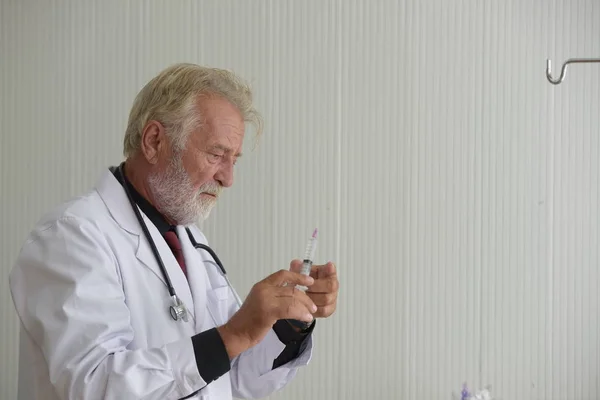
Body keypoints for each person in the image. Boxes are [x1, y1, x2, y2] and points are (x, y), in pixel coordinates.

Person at [9, 63, 339, 400]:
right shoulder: (70, 237)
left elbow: (233, 381)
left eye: (234, 160)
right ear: (154, 141)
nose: (228, 178)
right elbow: (93, 386)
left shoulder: (189, 241)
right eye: (216, 154)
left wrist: (287, 320)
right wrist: (234, 334)